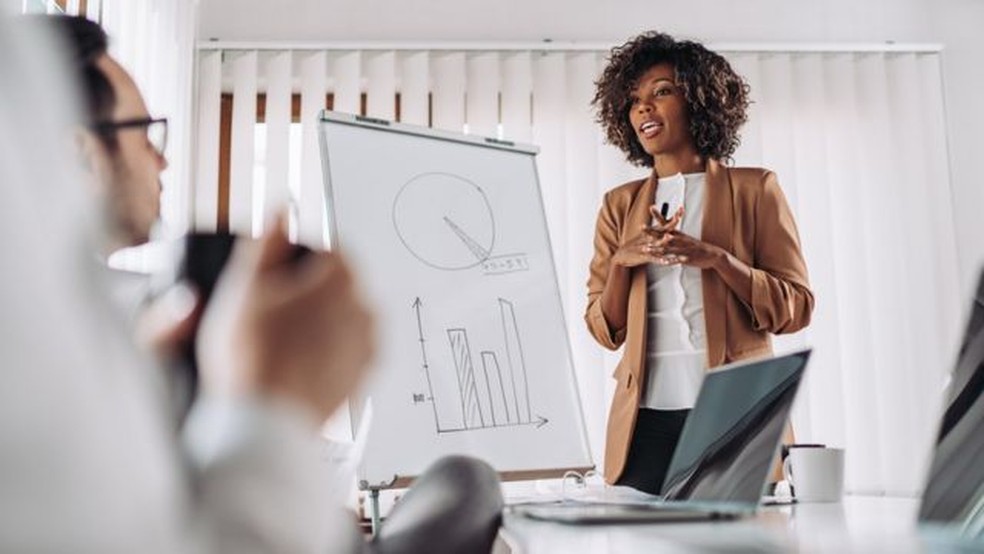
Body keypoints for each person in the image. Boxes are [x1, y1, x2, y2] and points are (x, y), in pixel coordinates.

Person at [0, 12, 502, 553]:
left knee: (465, 481)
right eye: (144, 134)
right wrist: (272, 407)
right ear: (80, 153)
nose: (161, 158)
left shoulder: (99, 330)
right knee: (466, 486)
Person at [585, 31, 814, 494]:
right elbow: (603, 329)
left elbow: (796, 308)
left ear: (700, 100)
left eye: (662, 91)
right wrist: (623, 264)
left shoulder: (755, 189)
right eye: (633, 101)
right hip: (642, 425)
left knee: (738, 546)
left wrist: (718, 260)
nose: (644, 108)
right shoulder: (618, 205)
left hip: (735, 414)